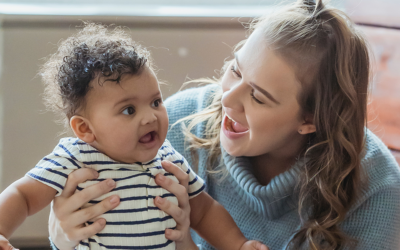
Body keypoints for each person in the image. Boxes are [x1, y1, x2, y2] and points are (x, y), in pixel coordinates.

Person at [19, 0, 400, 249]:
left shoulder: (377, 190)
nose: (227, 98)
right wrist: (63, 235)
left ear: (309, 119)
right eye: (235, 70)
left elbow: (202, 217)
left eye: (258, 96)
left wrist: (185, 241)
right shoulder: (176, 125)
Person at [0, 23, 268, 250]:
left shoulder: (168, 160)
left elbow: (205, 211)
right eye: (129, 110)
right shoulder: (74, 159)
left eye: (155, 102)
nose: (150, 117)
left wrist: (238, 245)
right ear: (85, 129)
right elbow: (22, 195)